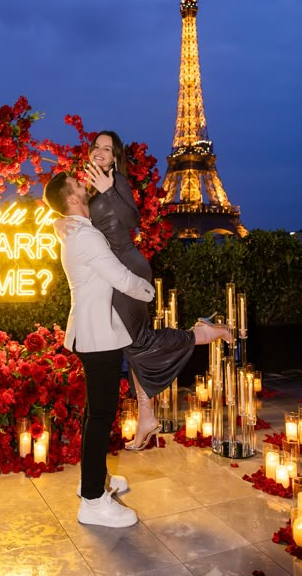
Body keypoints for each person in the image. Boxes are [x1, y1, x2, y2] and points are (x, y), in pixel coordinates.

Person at [59, 131, 232, 451]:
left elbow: (133, 219)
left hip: (127, 269)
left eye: (107, 149)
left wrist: (110, 191)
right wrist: (58, 223)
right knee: (131, 344)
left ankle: (201, 333)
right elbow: (78, 219)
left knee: (137, 341)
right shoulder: (91, 192)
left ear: (115, 158)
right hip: (112, 273)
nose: (100, 152)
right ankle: (147, 416)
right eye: (96, 146)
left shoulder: (116, 182)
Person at [43, 171, 155, 528]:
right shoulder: (85, 235)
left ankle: (92, 482)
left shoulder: (77, 230)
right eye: (78, 186)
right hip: (98, 336)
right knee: (101, 417)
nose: (84, 186)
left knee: (97, 413)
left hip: (92, 332)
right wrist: (150, 292)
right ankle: (92, 500)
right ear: (72, 199)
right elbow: (120, 277)